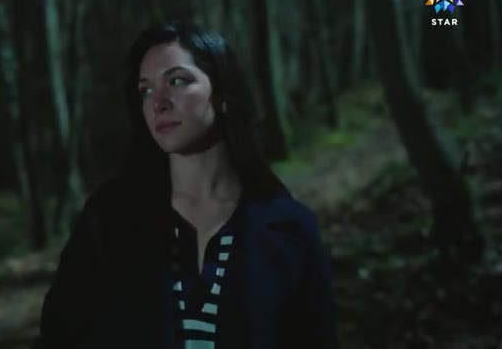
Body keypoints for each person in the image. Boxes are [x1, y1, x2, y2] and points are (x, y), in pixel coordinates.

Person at [34, 21, 339, 348]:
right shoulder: (110, 218)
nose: (158, 102)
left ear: (222, 93)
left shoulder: (288, 227)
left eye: (177, 81)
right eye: (146, 90)